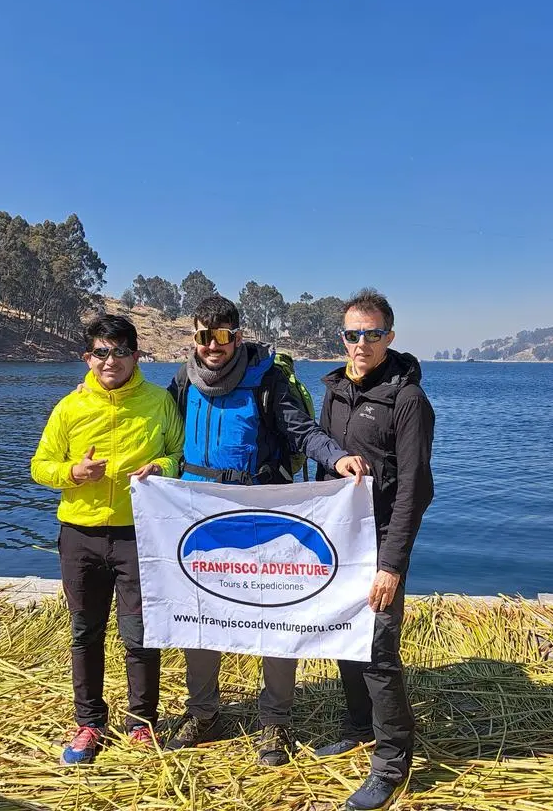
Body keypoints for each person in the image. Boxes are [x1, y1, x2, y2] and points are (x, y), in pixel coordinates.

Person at [163, 294, 369, 766]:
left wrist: (335, 457)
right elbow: (163, 434)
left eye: (223, 336)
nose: (213, 346)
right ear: (193, 338)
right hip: (199, 517)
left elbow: (301, 433)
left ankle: (274, 721)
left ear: (238, 335)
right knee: (199, 616)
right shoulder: (181, 381)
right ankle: (204, 712)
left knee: (275, 617)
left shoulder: (267, 381)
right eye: (203, 336)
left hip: (264, 514)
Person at [30, 315, 184, 766]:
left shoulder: (158, 402)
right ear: (87, 358)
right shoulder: (69, 408)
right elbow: (40, 466)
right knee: (85, 631)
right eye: (101, 351)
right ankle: (90, 723)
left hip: (139, 534)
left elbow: (178, 454)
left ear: (137, 355)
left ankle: (141, 723)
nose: (110, 360)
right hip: (79, 535)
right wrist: (72, 474)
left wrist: (161, 468)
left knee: (139, 634)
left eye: (119, 351)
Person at [311, 289, 435, 811]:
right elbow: (321, 453)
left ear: (390, 337)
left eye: (372, 334)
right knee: (345, 640)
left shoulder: (407, 400)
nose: (360, 344)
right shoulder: (335, 390)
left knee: (380, 651)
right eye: (351, 334)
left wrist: (391, 566)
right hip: (339, 540)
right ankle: (359, 726)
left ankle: (391, 763)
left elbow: (415, 490)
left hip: (380, 542)